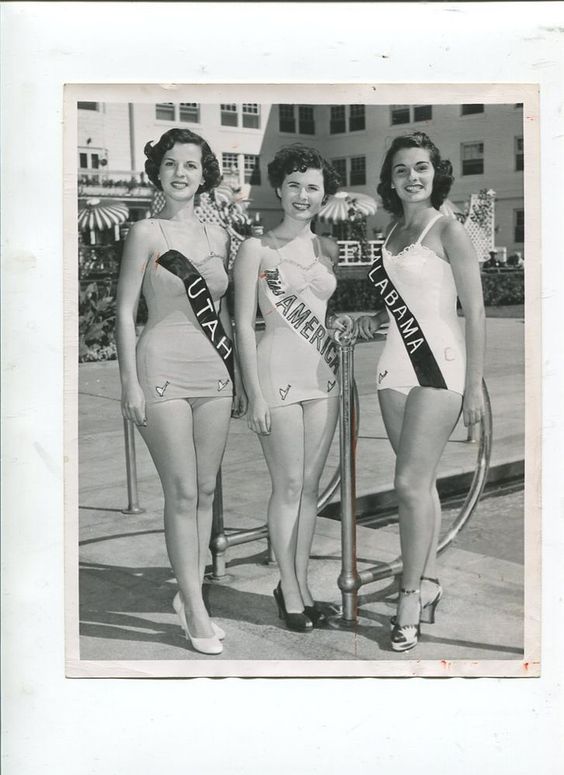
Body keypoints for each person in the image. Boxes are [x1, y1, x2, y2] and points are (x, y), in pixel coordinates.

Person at [116, 128, 245, 655]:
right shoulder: (145, 233)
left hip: (213, 369)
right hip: (161, 366)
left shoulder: (220, 238)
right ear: (159, 171)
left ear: (203, 173)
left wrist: (239, 374)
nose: (180, 173)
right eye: (171, 164)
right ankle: (194, 607)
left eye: (190, 165)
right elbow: (125, 311)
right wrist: (129, 382)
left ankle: (189, 591)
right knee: (183, 492)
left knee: (208, 493)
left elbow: (227, 315)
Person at [356, 131, 486, 651]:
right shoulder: (390, 231)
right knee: (422, 482)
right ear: (390, 180)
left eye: (422, 168)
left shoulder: (449, 228)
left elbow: (473, 312)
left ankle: (409, 595)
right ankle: (428, 579)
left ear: (436, 174)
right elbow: (398, 303)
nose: (413, 177)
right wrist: (368, 319)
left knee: (407, 483)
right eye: (403, 169)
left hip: (439, 368)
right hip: (393, 367)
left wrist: (473, 386)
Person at [234, 145, 347, 632]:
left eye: (313, 187)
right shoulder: (256, 249)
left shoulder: (325, 249)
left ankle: (297, 587)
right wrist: (253, 393)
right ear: (278, 188)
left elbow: (321, 310)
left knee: (311, 490)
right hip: (276, 371)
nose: (303, 195)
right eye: (295, 185)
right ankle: (290, 590)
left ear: (324, 194)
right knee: (289, 486)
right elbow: (241, 323)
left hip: (322, 376)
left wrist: (341, 324)